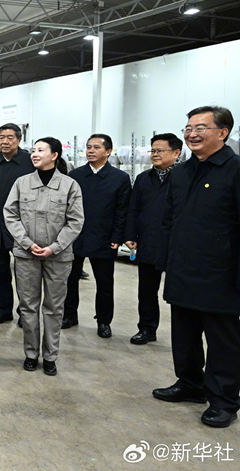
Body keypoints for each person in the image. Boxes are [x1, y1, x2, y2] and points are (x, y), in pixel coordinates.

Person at [153, 106, 240, 428]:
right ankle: (190, 384)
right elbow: (168, 220)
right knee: (184, 334)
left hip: (221, 273)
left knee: (222, 341)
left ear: (223, 132)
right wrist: (165, 259)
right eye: (188, 128)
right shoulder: (181, 172)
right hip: (182, 267)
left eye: (201, 128)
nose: (192, 134)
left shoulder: (234, 169)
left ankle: (224, 401)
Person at [4, 138, 84, 376]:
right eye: (33, 150)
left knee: (54, 308)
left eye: (40, 150)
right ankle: (31, 353)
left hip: (58, 257)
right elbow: (10, 215)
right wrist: (27, 243)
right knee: (28, 306)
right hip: (26, 255)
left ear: (55, 155)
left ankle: (50, 356)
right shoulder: (22, 183)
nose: (34, 154)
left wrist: (55, 247)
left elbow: (76, 221)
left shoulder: (70, 185)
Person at [63, 133, 131, 338]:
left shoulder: (119, 178)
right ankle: (69, 315)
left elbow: (122, 211)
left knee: (104, 283)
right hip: (75, 236)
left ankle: (103, 321)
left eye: (96, 147)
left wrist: (117, 237)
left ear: (108, 152)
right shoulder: (75, 176)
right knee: (69, 280)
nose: (90, 151)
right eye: (88, 147)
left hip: (104, 237)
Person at [124, 133, 182, 345]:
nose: (155, 154)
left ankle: (183, 334)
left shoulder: (185, 177)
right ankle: (147, 328)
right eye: (153, 151)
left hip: (177, 244)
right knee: (147, 290)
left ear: (176, 153)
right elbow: (133, 209)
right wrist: (130, 235)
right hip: (149, 240)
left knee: (180, 291)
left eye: (160, 151)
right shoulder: (143, 178)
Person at [0, 123, 34, 326]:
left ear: (19, 139)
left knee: (25, 273)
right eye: (1, 137)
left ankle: (25, 312)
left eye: (10, 138)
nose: (5, 142)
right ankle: (3, 310)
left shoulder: (30, 163)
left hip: (22, 228)